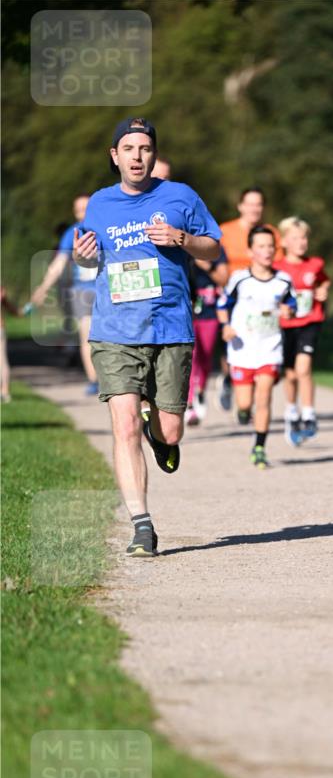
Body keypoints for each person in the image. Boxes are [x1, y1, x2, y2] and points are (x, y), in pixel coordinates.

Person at [72, 117, 221, 556]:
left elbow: (213, 246)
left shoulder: (180, 196)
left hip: (171, 327)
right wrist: (83, 258)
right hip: (115, 329)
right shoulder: (99, 204)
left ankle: (159, 435)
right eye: (129, 149)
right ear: (114, 156)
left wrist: (183, 238)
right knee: (122, 427)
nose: (138, 156)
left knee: (171, 431)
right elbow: (88, 262)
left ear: (154, 155)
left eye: (145, 149)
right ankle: (141, 524)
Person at [217, 225, 295, 469]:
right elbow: (222, 305)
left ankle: (259, 447)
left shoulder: (283, 281)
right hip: (242, 349)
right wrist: (226, 327)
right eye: (261, 246)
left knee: (264, 397)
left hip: (270, 348)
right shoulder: (240, 279)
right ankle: (240, 406)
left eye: (270, 246)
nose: (267, 251)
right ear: (250, 251)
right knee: (245, 403)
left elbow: (291, 305)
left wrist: (288, 311)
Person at [31, 194, 98, 393]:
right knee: (87, 337)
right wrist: (43, 288)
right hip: (83, 292)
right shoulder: (71, 233)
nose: (83, 213)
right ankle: (94, 380)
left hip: (107, 290)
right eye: (79, 209)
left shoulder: (105, 228)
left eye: (86, 208)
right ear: (75, 212)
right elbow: (58, 264)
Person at [277, 216, 331, 445]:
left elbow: (324, 281)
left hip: (310, 322)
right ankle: (291, 411)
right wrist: (280, 307)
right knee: (290, 374)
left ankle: (308, 413)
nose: (301, 242)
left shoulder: (315, 264)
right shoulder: (277, 268)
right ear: (284, 242)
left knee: (304, 367)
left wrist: (322, 291)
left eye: (304, 238)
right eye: (296, 238)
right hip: (285, 326)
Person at [185, 247, 229, 425]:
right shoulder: (180, 246)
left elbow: (224, 279)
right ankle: (189, 404)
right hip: (188, 311)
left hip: (209, 311)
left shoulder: (215, 248)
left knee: (206, 355)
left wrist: (207, 266)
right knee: (192, 356)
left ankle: (200, 391)